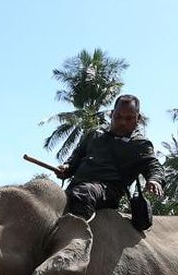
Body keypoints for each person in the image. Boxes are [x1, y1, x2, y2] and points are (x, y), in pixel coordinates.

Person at [54, 94, 164, 226]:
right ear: (112, 114)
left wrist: (154, 180)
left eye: (129, 118)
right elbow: (77, 156)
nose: (122, 122)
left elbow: (153, 166)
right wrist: (66, 167)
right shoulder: (95, 134)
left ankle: (75, 239)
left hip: (107, 191)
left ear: (138, 118)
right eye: (118, 117)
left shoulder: (140, 145)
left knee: (84, 193)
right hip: (75, 186)